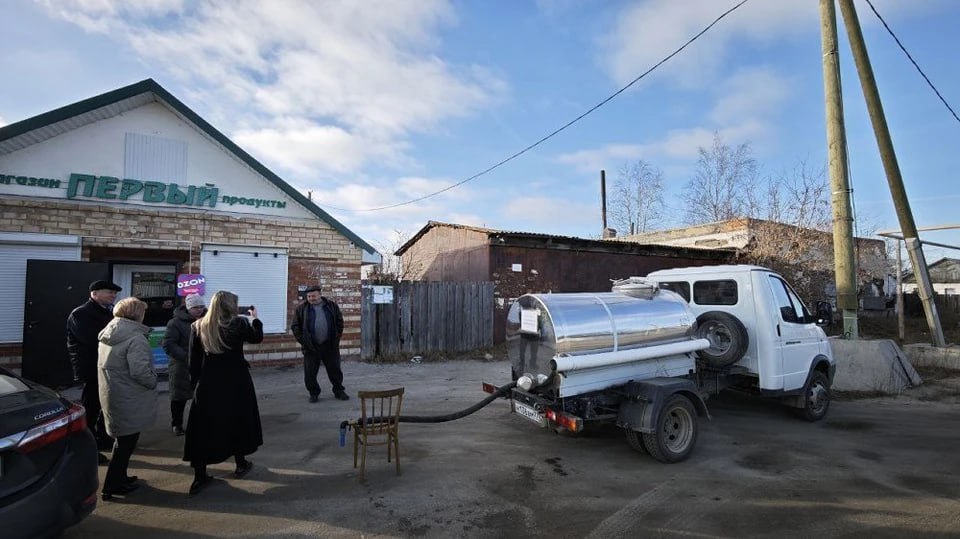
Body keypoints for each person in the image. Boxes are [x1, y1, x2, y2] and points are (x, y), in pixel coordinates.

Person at [183, 290, 263, 497]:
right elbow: (256, 339)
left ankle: (200, 475)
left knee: (204, 426)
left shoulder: (198, 326)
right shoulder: (238, 324)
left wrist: (195, 385)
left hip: (209, 381)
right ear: (231, 306)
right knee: (238, 420)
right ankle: (240, 463)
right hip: (236, 380)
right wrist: (256, 319)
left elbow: (193, 361)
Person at [97, 297, 158, 501]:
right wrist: (153, 380)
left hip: (114, 393)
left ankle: (120, 478)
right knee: (125, 444)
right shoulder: (135, 338)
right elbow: (140, 371)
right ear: (136, 314)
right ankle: (113, 485)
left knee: (122, 441)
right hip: (130, 396)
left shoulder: (109, 332)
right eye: (142, 312)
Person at [66, 279, 122, 464]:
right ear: (95, 293)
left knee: (103, 403)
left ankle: (101, 437)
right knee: (91, 405)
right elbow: (92, 339)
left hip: (105, 364)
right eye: (109, 292)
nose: (113, 296)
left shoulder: (108, 312)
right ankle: (87, 446)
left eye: (114, 293)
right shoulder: (81, 313)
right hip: (91, 366)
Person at [291, 285, 348, 402]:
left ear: (320, 295)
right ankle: (314, 393)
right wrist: (304, 341)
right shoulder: (301, 309)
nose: (311, 298)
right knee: (310, 373)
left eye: (313, 296)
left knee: (335, 370)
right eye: (309, 296)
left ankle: (339, 391)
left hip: (329, 345)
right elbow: (295, 327)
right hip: (311, 347)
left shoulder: (331, 306)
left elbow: (339, 322)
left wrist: (336, 337)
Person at [162, 293, 206, 436]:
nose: (199, 310)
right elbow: (169, 344)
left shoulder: (207, 320)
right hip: (181, 366)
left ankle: (201, 422)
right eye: (195, 307)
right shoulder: (175, 323)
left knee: (202, 397)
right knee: (179, 397)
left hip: (203, 365)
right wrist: (187, 357)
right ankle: (177, 424)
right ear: (188, 308)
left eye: (201, 306)